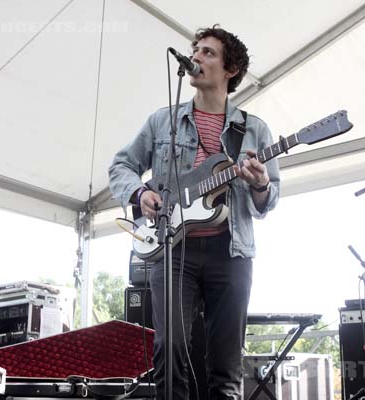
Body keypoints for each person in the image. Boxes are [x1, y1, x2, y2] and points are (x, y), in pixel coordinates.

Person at [109, 25, 280, 400]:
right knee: (168, 350)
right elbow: (120, 166)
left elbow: (269, 201)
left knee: (226, 362)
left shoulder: (254, 130)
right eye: (196, 50)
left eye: (208, 53)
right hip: (171, 250)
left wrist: (259, 183)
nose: (197, 57)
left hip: (230, 251)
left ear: (230, 69)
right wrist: (139, 193)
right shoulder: (162, 121)